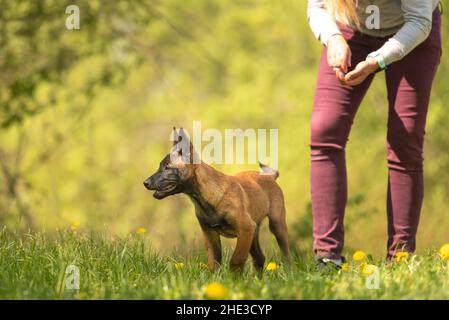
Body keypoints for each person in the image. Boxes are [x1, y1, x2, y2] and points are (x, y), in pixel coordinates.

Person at [307, 0, 442, 268]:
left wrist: (377, 60)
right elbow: (317, 7)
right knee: (325, 128)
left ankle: (399, 258)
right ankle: (327, 256)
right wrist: (333, 38)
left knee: (405, 139)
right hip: (350, 30)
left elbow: (420, 21)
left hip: (411, 33)